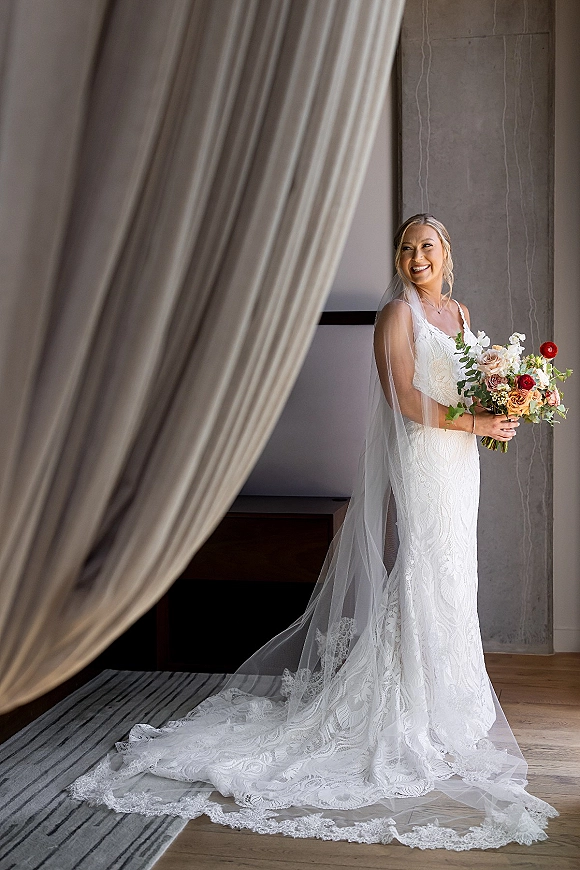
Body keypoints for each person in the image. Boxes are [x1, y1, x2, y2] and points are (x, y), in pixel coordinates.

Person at [69, 214, 558, 850]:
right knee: (422, 570)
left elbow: (461, 386)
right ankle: (401, 707)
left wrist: (505, 401)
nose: (416, 258)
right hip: (423, 458)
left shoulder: (460, 315)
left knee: (455, 572)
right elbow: (406, 403)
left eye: (427, 248)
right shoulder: (394, 317)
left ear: (448, 255)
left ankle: (445, 706)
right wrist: (478, 425)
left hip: (459, 466)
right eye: (406, 249)